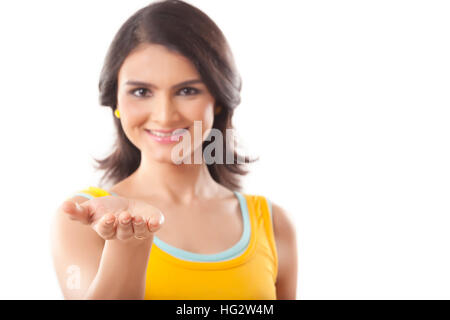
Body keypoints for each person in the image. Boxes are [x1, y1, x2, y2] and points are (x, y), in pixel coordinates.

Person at [50, 0, 297, 300]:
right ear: (115, 101)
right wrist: (128, 243)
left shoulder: (272, 224)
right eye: (141, 92)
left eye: (187, 91)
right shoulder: (84, 220)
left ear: (217, 99)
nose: (165, 116)